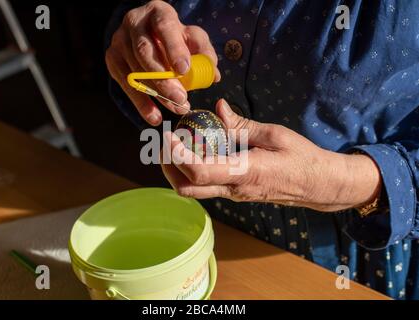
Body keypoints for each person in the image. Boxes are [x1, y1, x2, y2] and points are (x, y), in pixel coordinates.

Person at [105, 0, 419, 299]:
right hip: (196, 226)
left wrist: (345, 181)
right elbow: (135, 25)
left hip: (353, 254)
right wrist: (143, 37)